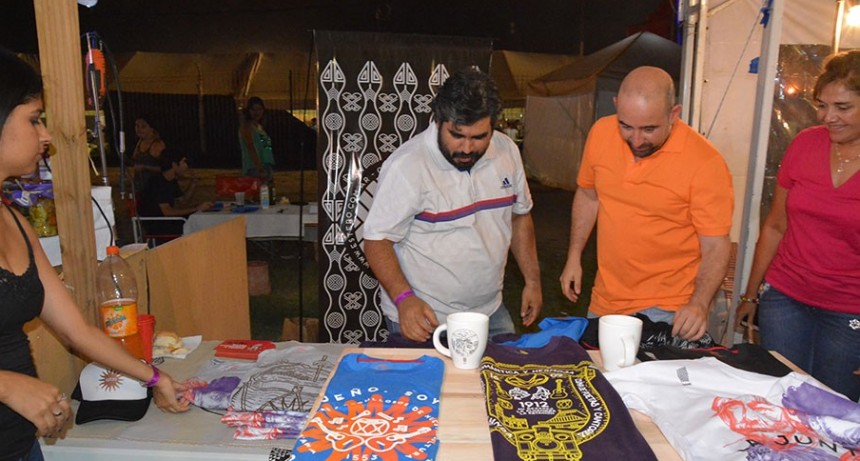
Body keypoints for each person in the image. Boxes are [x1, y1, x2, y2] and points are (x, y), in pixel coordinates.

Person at [0, 49, 189, 461]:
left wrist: (154, 377)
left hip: (18, 444)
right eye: (34, 119)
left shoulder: (15, 222)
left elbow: (77, 332)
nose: (46, 135)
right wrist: (8, 385)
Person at [363, 67, 542, 343]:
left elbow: (519, 217)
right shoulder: (408, 166)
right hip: (425, 318)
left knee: (497, 383)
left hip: (490, 312)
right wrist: (404, 299)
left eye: (479, 137)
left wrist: (532, 280)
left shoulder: (507, 152)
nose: (467, 148)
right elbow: (376, 240)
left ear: (494, 125)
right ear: (438, 119)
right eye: (457, 135)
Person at [560, 66, 734, 341]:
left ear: (673, 115)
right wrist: (574, 256)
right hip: (606, 301)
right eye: (626, 126)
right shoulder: (600, 133)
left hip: (671, 306)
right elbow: (588, 195)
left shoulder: (705, 163)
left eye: (649, 129)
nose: (637, 140)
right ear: (616, 107)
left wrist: (700, 303)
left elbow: (715, 244)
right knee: (605, 382)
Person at [736, 51, 860, 402]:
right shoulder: (806, 143)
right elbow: (775, 225)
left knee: (832, 408)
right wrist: (750, 294)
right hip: (785, 299)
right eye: (822, 105)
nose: (828, 117)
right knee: (779, 396)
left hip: (850, 311)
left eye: (843, 107)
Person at [137, 151, 212, 239]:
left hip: (168, 221)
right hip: (158, 224)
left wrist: (193, 184)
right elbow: (167, 212)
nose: (187, 167)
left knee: (197, 221)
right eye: (184, 162)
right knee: (197, 225)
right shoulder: (158, 183)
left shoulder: (171, 180)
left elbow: (182, 201)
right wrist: (196, 208)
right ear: (174, 165)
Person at [238, 96, 274, 182]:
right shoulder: (246, 127)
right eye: (253, 109)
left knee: (266, 193)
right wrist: (259, 168)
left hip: (266, 164)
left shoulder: (259, 127)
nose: (256, 112)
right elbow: (250, 147)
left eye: (259, 109)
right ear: (248, 111)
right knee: (259, 192)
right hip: (254, 167)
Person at [130, 115, 166, 195]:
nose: (139, 129)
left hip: (154, 188)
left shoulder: (157, 145)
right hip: (140, 187)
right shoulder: (140, 142)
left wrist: (145, 167)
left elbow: (165, 169)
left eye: (143, 126)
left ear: (152, 128)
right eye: (137, 126)